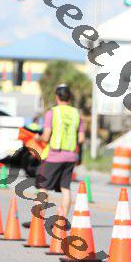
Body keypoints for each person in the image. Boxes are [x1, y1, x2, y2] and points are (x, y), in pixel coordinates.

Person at [36, 83, 84, 217]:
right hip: (71, 156)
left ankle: (38, 219)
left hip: (54, 155)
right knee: (65, 188)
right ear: (69, 97)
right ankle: (62, 219)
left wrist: (38, 137)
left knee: (43, 187)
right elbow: (81, 139)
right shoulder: (76, 114)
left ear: (57, 97)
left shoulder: (53, 113)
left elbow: (46, 137)